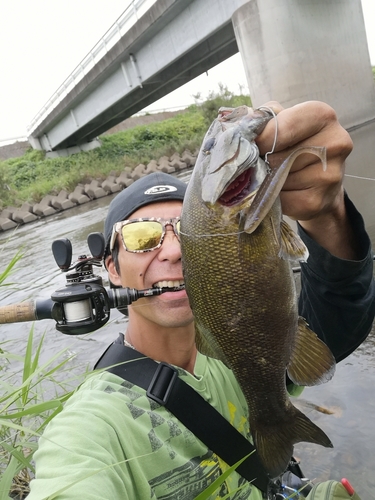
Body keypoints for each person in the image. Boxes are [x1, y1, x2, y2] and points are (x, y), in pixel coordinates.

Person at [27, 101, 375, 500]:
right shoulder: (91, 428)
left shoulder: (241, 356)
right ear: (112, 269)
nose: (173, 251)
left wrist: (327, 215)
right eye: (142, 236)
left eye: (183, 230)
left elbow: (340, 313)